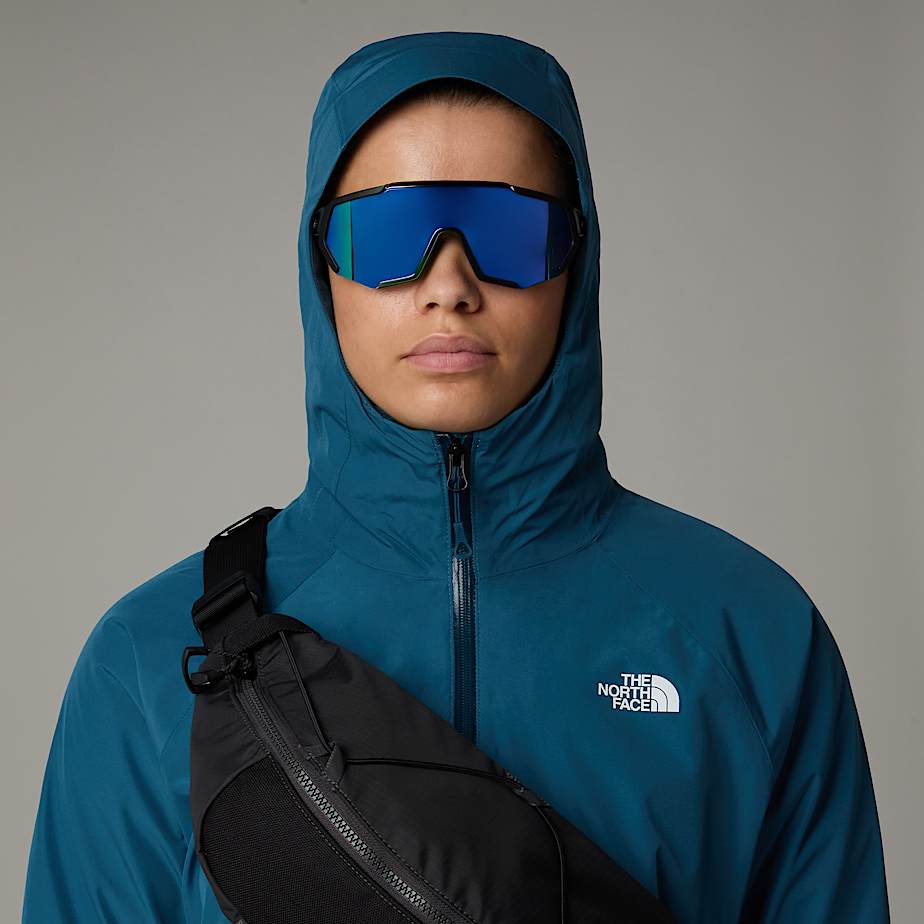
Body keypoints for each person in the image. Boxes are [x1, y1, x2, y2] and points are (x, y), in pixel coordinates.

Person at [22, 30, 890, 924]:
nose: (449, 286)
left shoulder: (748, 631)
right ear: (322, 267)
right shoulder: (151, 657)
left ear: (577, 260)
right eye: (388, 232)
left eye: (510, 231)